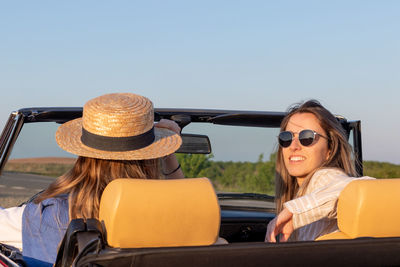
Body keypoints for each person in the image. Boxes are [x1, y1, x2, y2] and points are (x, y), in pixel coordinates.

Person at [0, 93, 184, 266]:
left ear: (84, 158)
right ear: (150, 160)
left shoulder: (50, 217)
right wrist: (169, 155)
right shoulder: (171, 218)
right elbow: (187, 204)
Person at [265, 100, 373, 243]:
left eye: (307, 137)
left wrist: (294, 211)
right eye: (287, 138)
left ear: (330, 149)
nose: (294, 146)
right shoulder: (304, 191)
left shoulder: (325, 177)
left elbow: (366, 189)